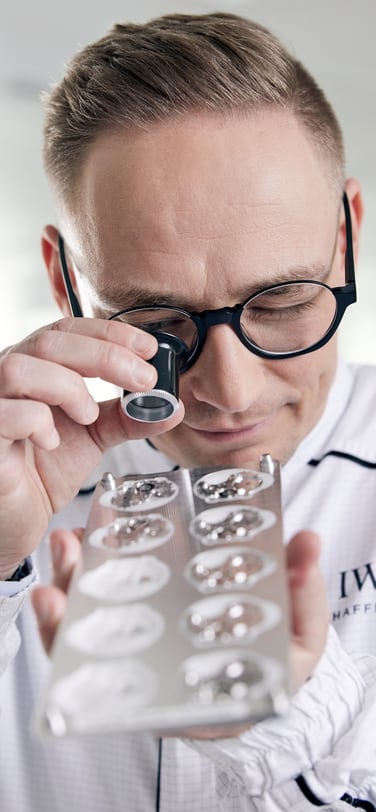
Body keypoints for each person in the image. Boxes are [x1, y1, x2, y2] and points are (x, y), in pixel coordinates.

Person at [0, 10, 375, 811]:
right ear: (66, 284)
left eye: (282, 302)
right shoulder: (17, 479)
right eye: (158, 324)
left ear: (348, 234)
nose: (230, 393)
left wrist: (281, 721)